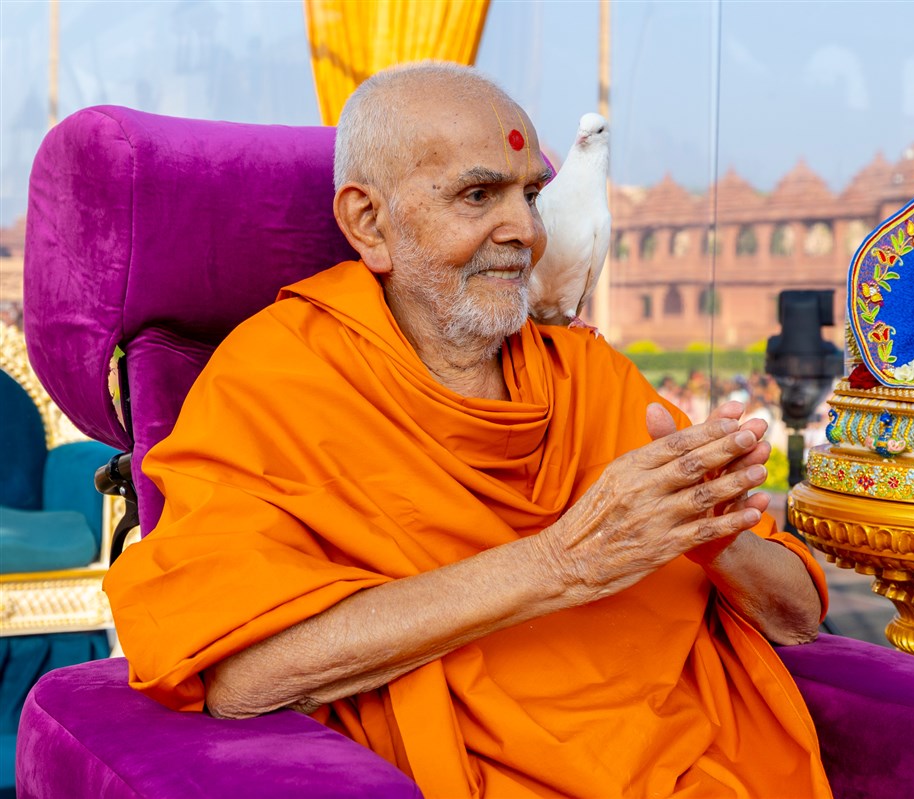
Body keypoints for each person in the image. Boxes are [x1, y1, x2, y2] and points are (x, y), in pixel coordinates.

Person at [103, 63, 831, 798]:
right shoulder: (279, 376)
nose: (526, 233)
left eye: (531, 195)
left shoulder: (584, 372)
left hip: (698, 768)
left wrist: (708, 529)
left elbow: (796, 615)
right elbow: (241, 678)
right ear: (369, 223)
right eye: (478, 196)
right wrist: (562, 562)